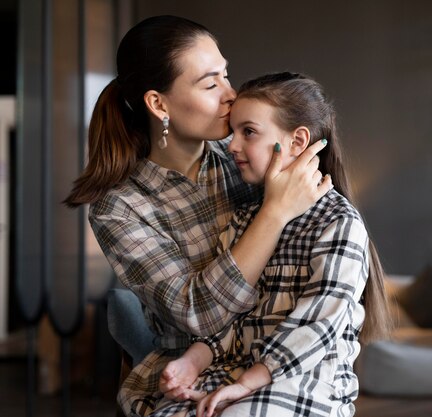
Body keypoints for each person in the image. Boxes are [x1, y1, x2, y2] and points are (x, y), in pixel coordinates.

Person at [63, 16, 332, 417]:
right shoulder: (119, 207)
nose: (231, 94)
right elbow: (197, 313)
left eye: (226, 75)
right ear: (158, 103)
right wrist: (274, 213)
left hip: (281, 353)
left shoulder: (244, 153)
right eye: (210, 84)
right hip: (194, 365)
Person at [157, 72, 391, 417]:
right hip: (234, 372)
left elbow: (318, 324)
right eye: (233, 131)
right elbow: (227, 320)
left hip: (306, 380)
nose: (232, 145)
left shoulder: (339, 223)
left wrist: (246, 384)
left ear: (297, 142)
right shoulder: (244, 221)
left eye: (248, 132)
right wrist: (191, 362)